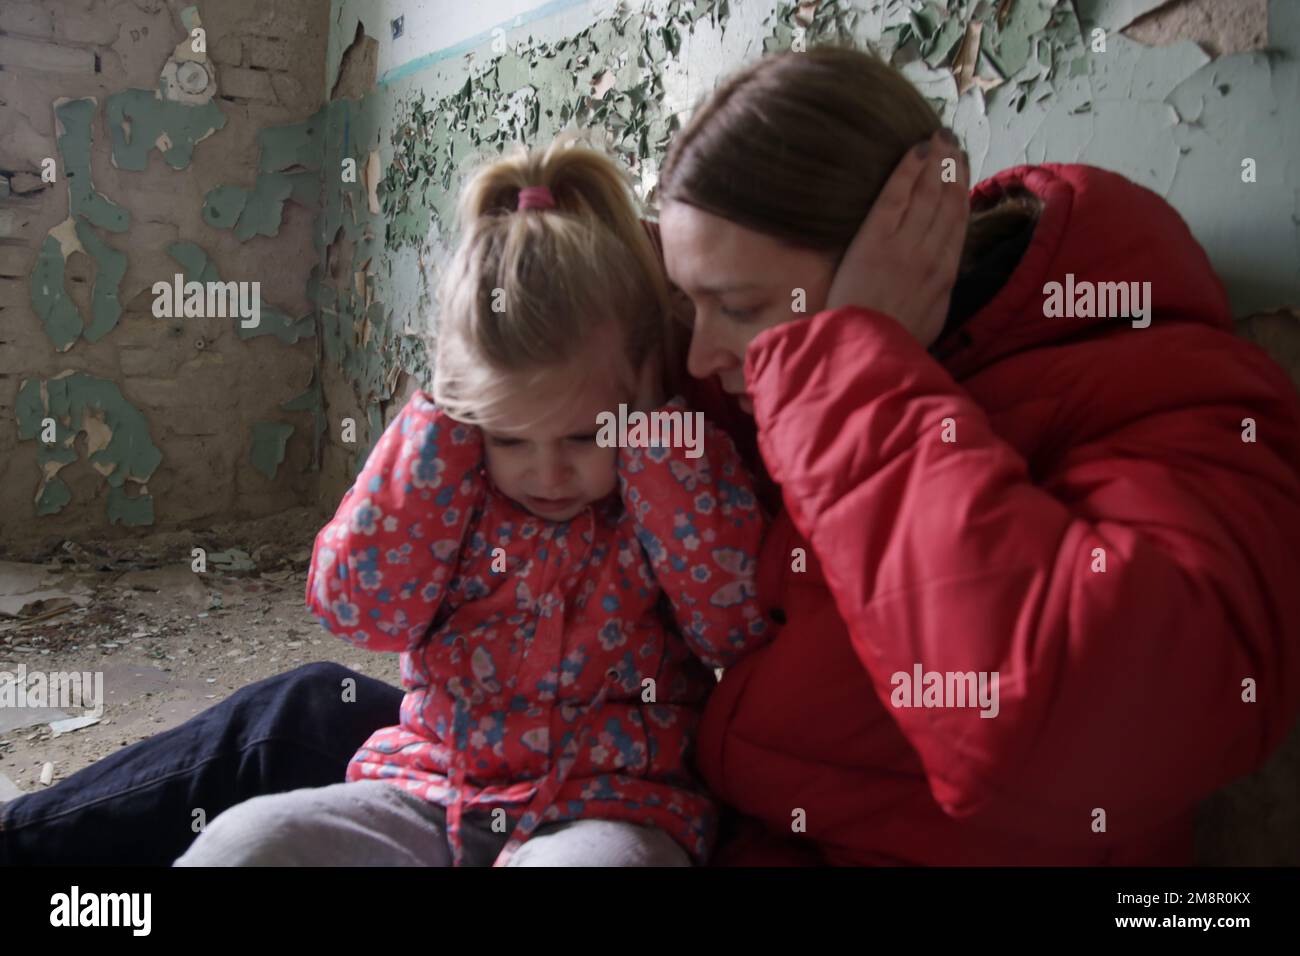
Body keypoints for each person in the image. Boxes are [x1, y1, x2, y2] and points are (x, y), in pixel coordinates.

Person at [5, 46, 1298, 867]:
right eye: (692, 309)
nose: (700, 360)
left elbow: (1057, 731)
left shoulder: (1170, 396)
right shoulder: (728, 375)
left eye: (738, 307)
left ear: (904, 266)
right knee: (287, 721)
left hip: (692, 817)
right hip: (544, 760)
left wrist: (850, 360)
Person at [172, 139, 771, 866]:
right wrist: (438, 431)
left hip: (613, 807)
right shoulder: (450, 481)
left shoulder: (673, 472)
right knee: (245, 840)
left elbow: (735, 628)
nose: (549, 470)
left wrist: (655, 445)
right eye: (511, 438)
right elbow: (362, 610)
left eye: (586, 434)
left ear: (643, 397)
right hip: (431, 789)